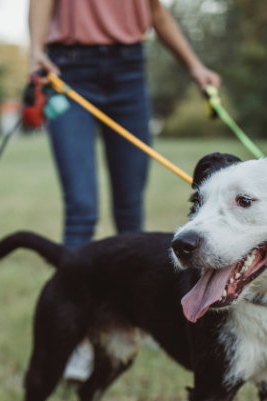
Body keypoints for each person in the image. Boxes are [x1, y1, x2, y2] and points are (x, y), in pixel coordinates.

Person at [28, 0, 220, 380]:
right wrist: (35, 49)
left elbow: (156, 13)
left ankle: (134, 318)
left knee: (130, 209)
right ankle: (76, 338)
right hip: (67, 70)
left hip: (130, 70)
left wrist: (195, 66)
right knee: (81, 208)